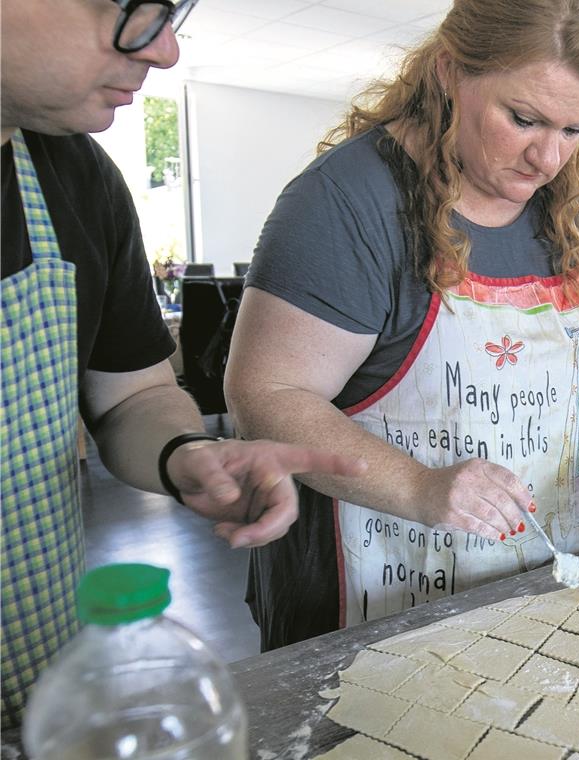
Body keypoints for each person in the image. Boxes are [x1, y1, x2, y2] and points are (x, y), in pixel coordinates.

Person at [224, 0, 579, 650]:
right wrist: (418, 485)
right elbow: (265, 397)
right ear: (449, 74)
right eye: (523, 119)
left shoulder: (576, 208)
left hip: (545, 576)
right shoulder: (346, 205)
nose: (548, 158)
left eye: (576, 128)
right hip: (375, 598)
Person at [0, 0, 366, 727]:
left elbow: (131, 395)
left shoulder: (73, 175)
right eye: (134, 8)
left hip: (34, 687)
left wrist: (187, 453)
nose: (165, 51)